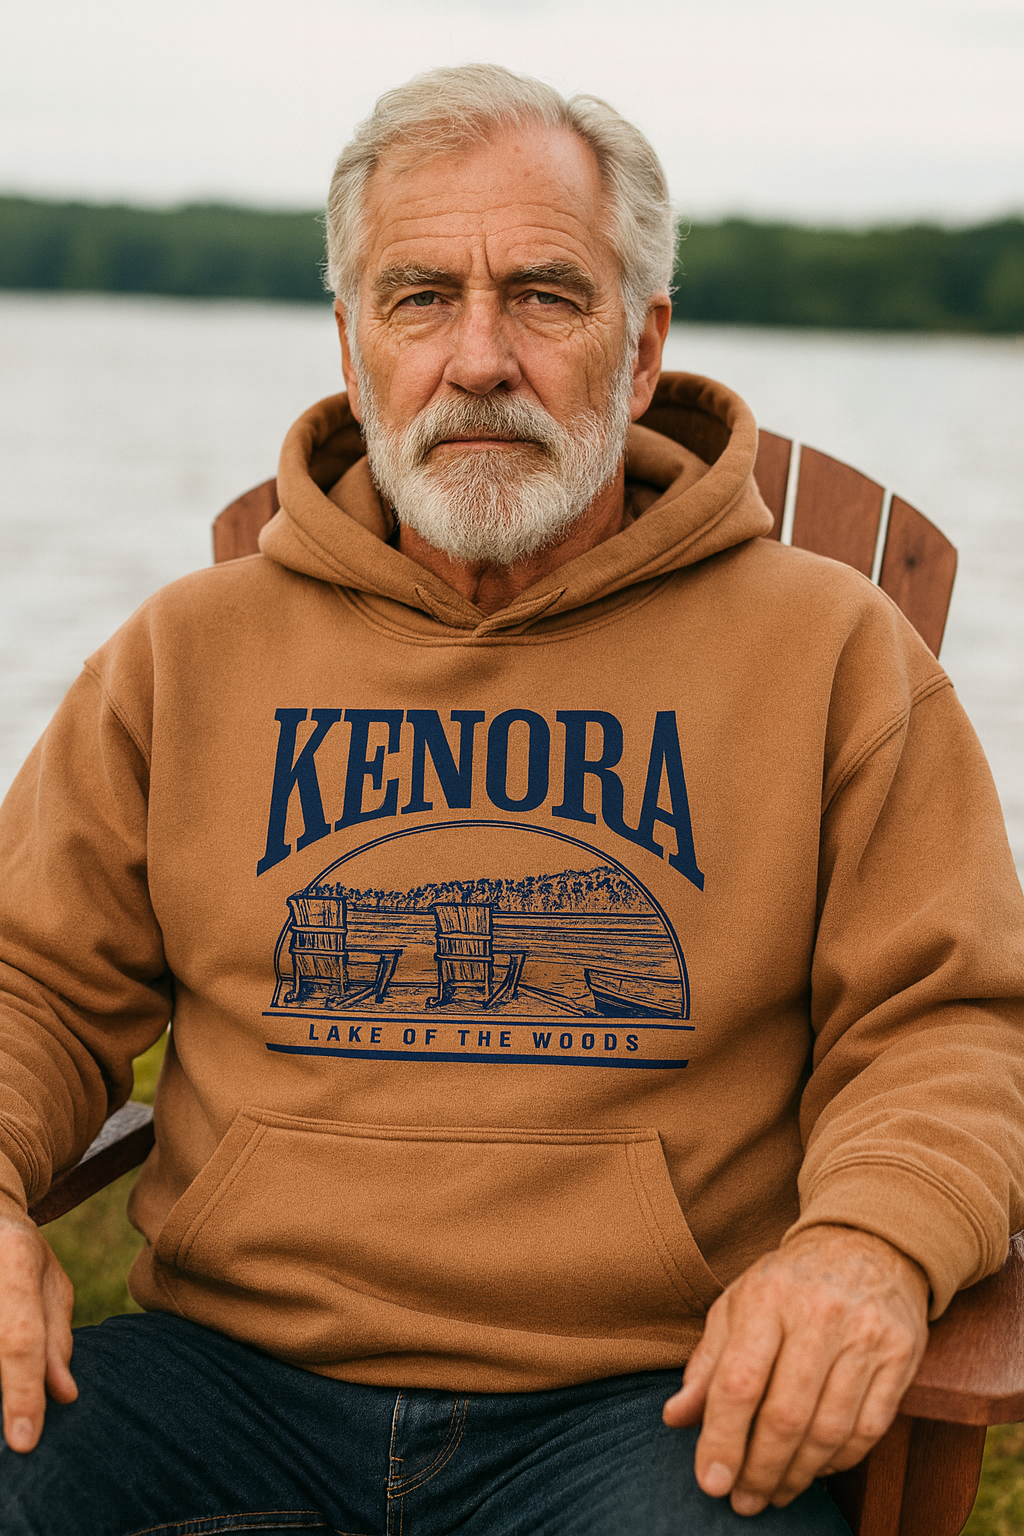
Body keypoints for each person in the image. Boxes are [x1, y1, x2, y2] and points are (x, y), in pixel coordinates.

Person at [0, 63, 1022, 1536]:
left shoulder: (830, 658)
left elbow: (949, 1022)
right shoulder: (186, 656)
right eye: (419, 299)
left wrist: (866, 1246)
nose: (478, 357)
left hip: (648, 1403)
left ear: (645, 340)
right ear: (354, 346)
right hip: (228, 1380)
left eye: (546, 295)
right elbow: (31, 982)